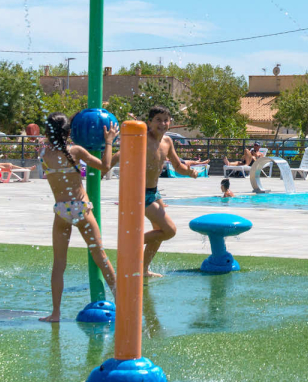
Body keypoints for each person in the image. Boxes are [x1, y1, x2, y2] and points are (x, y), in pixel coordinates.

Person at [37, 113, 118, 323]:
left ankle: (55, 313)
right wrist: (109, 142)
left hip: (61, 211)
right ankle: (121, 301)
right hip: (81, 209)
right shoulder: (76, 151)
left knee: (59, 264)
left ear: (47, 132)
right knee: (100, 256)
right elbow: (105, 166)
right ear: (69, 133)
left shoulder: (44, 153)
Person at [121, 105, 198, 278]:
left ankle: (143, 269)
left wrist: (190, 172)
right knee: (169, 230)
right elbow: (122, 154)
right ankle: (130, 243)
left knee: (159, 232)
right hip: (138, 193)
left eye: (166, 120)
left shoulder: (167, 142)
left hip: (154, 192)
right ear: (149, 122)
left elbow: (177, 166)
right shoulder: (142, 138)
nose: (162, 124)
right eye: (158, 120)